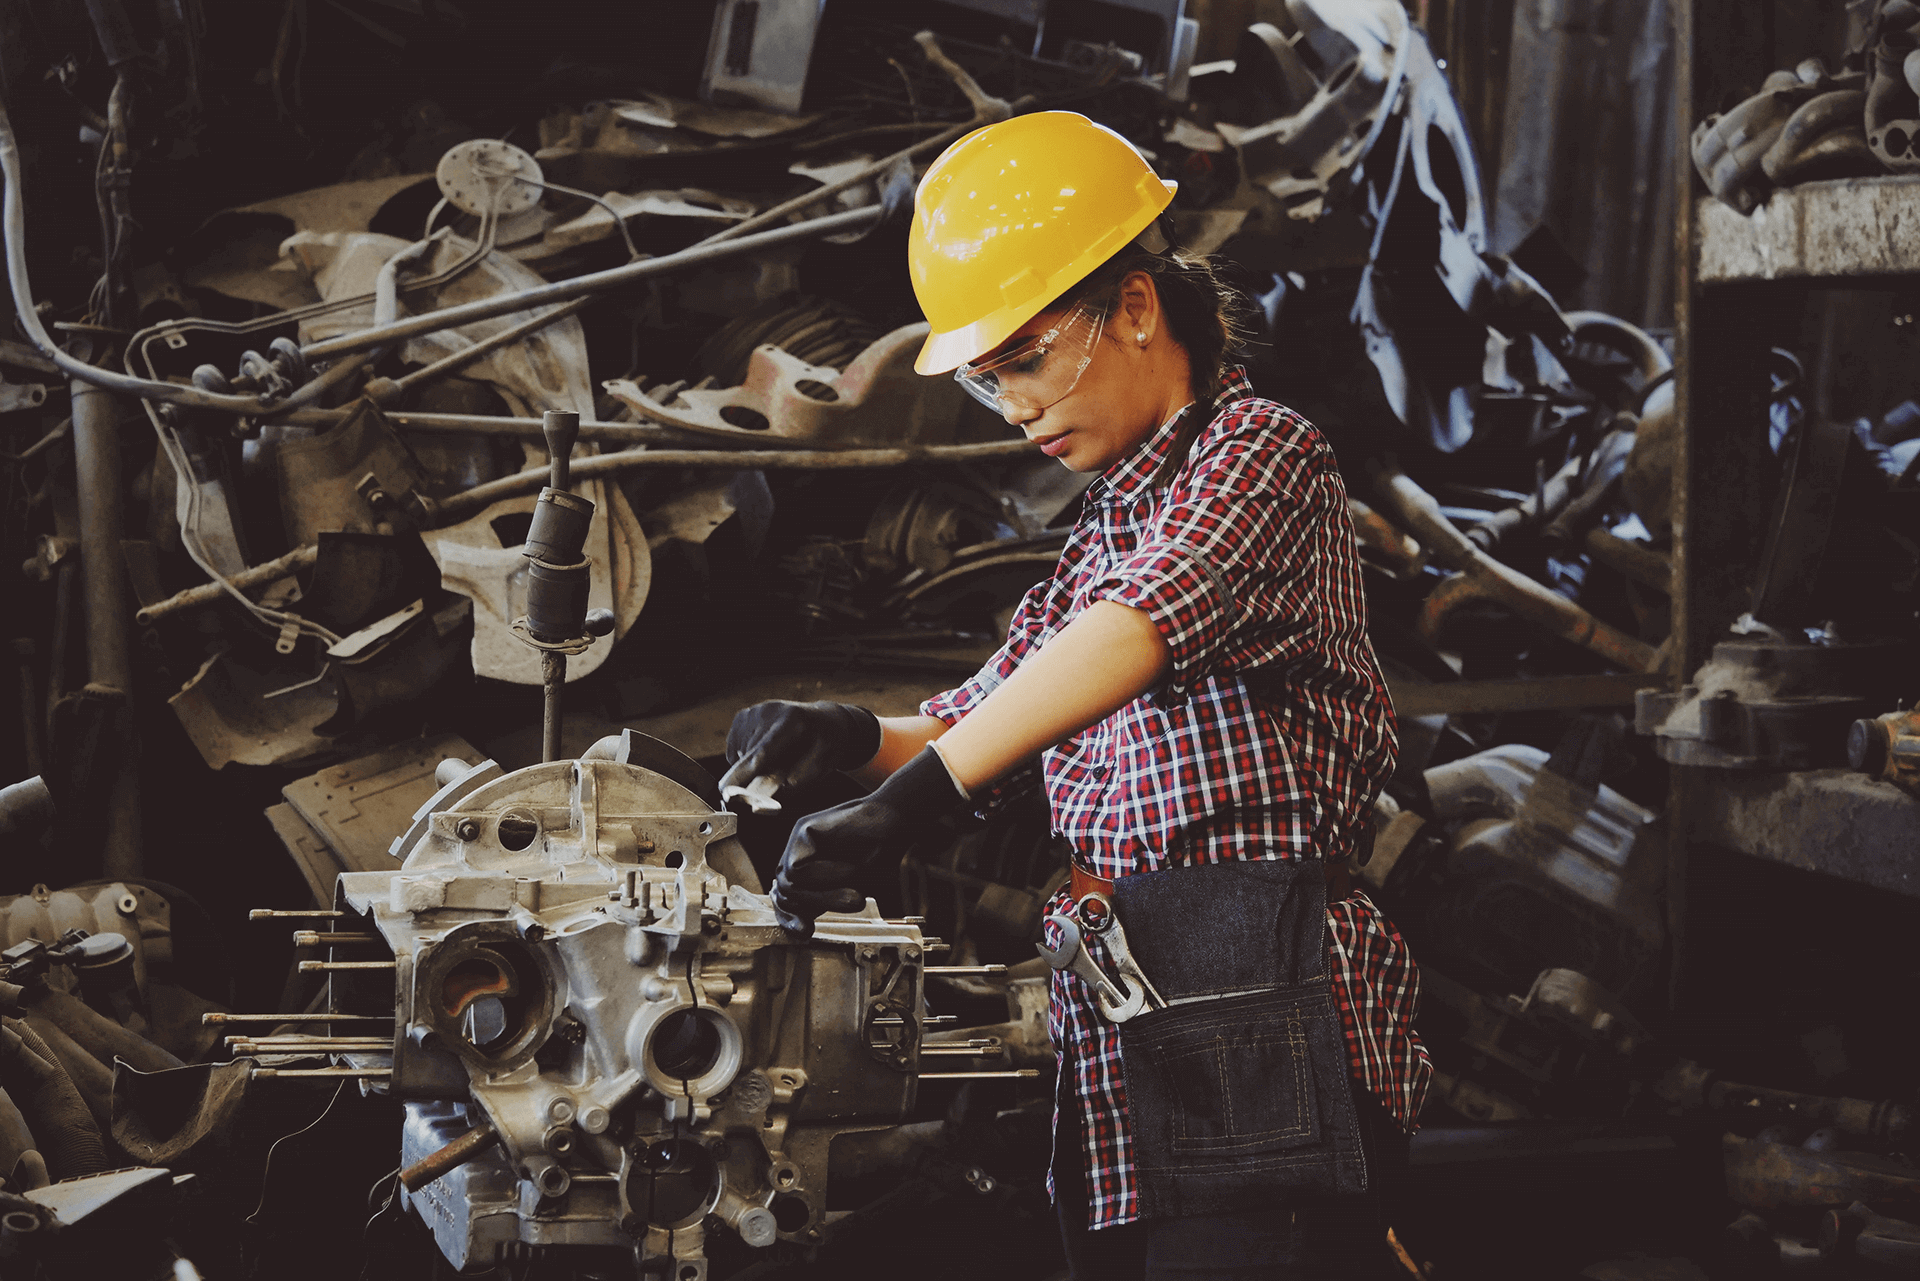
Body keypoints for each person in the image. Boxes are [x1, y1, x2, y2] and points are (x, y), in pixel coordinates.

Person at [719, 111, 1431, 1279]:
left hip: (1263, 995)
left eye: (1029, 359)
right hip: (1130, 1003)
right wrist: (846, 739)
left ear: (1137, 308)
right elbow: (981, 716)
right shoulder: (1105, 529)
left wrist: (922, 800)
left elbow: (1138, 629)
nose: (1014, 409)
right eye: (991, 380)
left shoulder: (1262, 454)